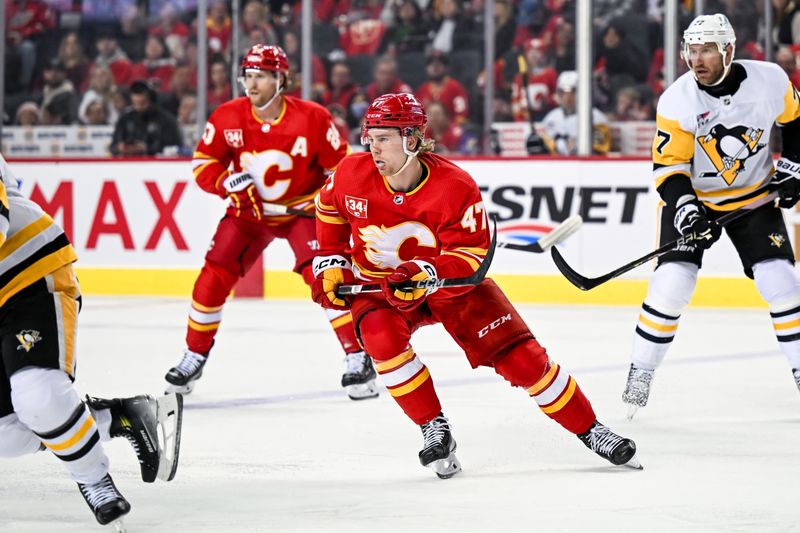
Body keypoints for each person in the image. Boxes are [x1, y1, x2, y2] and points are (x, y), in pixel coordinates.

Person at [312, 93, 641, 478]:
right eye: (370, 136)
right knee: (380, 339)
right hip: (380, 288)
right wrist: (331, 261)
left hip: (450, 289)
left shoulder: (454, 185)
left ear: (412, 139)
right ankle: (433, 428)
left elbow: (471, 257)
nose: (373, 146)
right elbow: (328, 208)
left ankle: (591, 430)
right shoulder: (352, 172)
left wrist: (425, 271)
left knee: (522, 359)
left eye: (384, 137)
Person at [163, 44, 379, 401]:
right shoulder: (227, 116)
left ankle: (357, 356)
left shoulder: (312, 117)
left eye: (260, 75)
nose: (251, 83)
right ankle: (194, 355)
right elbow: (204, 164)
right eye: (247, 75)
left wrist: (323, 201)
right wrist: (224, 183)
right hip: (250, 214)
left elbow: (343, 170)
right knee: (212, 277)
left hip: (302, 214)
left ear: (281, 79)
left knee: (327, 278)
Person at [622, 14, 800, 419]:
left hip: (754, 199)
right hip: (697, 201)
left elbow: (797, 122)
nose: (696, 59)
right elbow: (669, 169)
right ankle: (641, 372)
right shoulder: (677, 100)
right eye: (691, 50)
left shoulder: (770, 80)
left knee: (784, 285)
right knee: (671, 285)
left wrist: (793, 167)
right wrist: (686, 210)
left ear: (728, 51)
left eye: (706, 50)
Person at [0, 153, 183, 529]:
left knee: (39, 396)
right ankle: (118, 417)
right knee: (5, 435)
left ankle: (93, 479)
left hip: (26, 273)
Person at [540, 70, 611, 155]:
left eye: (572, 92)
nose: (567, 98)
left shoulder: (597, 118)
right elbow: (546, 149)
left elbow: (600, 150)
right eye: (563, 92)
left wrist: (577, 149)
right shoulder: (550, 118)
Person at [110, 80, 183, 156]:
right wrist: (119, 148)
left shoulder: (166, 120)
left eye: (142, 103)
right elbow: (113, 146)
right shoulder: (125, 119)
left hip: (157, 164)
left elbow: (174, 148)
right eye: (135, 103)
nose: (138, 107)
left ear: (151, 100)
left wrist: (147, 148)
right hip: (129, 164)